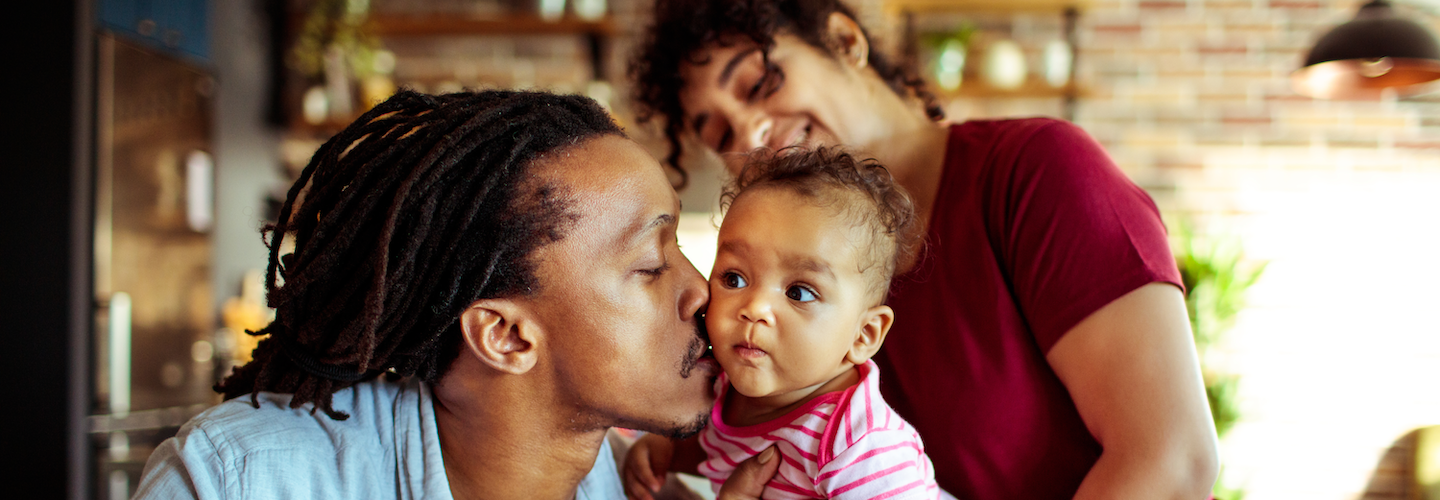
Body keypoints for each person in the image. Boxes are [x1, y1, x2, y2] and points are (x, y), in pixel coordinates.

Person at [628, 1, 1221, 499]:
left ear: (844, 41)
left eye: (760, 85)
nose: (752, 135)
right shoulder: (761, 323)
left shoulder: (1037, 172)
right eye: (721, 134)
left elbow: (1173, 461)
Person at [132, 90, 779, 499]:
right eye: (651, 265)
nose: (703, 293)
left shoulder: (654, 487)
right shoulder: (236, 480)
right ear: (506, 336)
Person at [623, 147, 942, 499]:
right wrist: (667, 450)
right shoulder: (721, 384)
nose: (755, 308)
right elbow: (721, 447)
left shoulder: (860, 447)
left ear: (863, 335)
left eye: (798, 293)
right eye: (734, 279)